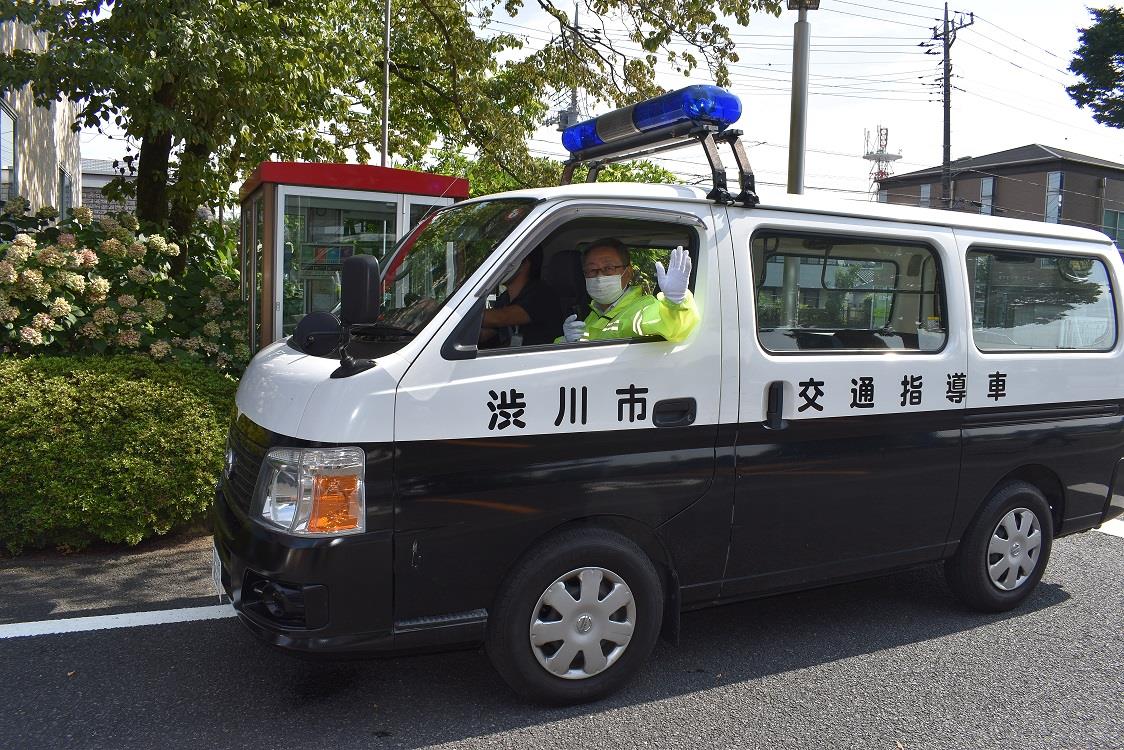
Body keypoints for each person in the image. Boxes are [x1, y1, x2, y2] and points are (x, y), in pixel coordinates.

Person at [559, 239, 699, 343]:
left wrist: (675, 302)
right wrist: (564, 342)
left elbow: (675, 329)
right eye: (591, 270)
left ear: (628, 272)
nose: (599, 276)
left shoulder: (644, 308)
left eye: (608, 268)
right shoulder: (593, 314)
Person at [480, 246, 564, 347]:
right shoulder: (504, 298)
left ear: (525, 263)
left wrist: (461, 317)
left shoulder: (542, 295)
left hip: (539, 360)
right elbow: (491, 331)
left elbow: (502, 318)